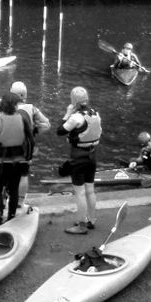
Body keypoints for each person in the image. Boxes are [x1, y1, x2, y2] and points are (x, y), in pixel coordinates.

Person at [0, 92, 36, 226]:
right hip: (17, 162)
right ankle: (11, 217)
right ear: (14, 106)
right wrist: (28, 157)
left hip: (0, 163)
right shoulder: (22, 119)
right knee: (13, 190)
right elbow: (30, 142)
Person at [56, 86, 102, 234]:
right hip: (92, 155)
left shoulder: (76, 118)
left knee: (80, 192)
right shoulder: (96, 114)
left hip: (79, 156)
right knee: (90, 189)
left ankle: (81, 225)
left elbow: (60, 131)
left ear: (74, 101)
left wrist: (67, 113)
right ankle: (91, 220)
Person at [9, 81, 50, 199]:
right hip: (26, 145)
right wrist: (35, 130)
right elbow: (47, 124)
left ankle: (8, 198)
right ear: (25, 95)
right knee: (23, 174)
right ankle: (20, 201)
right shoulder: (32, 108)